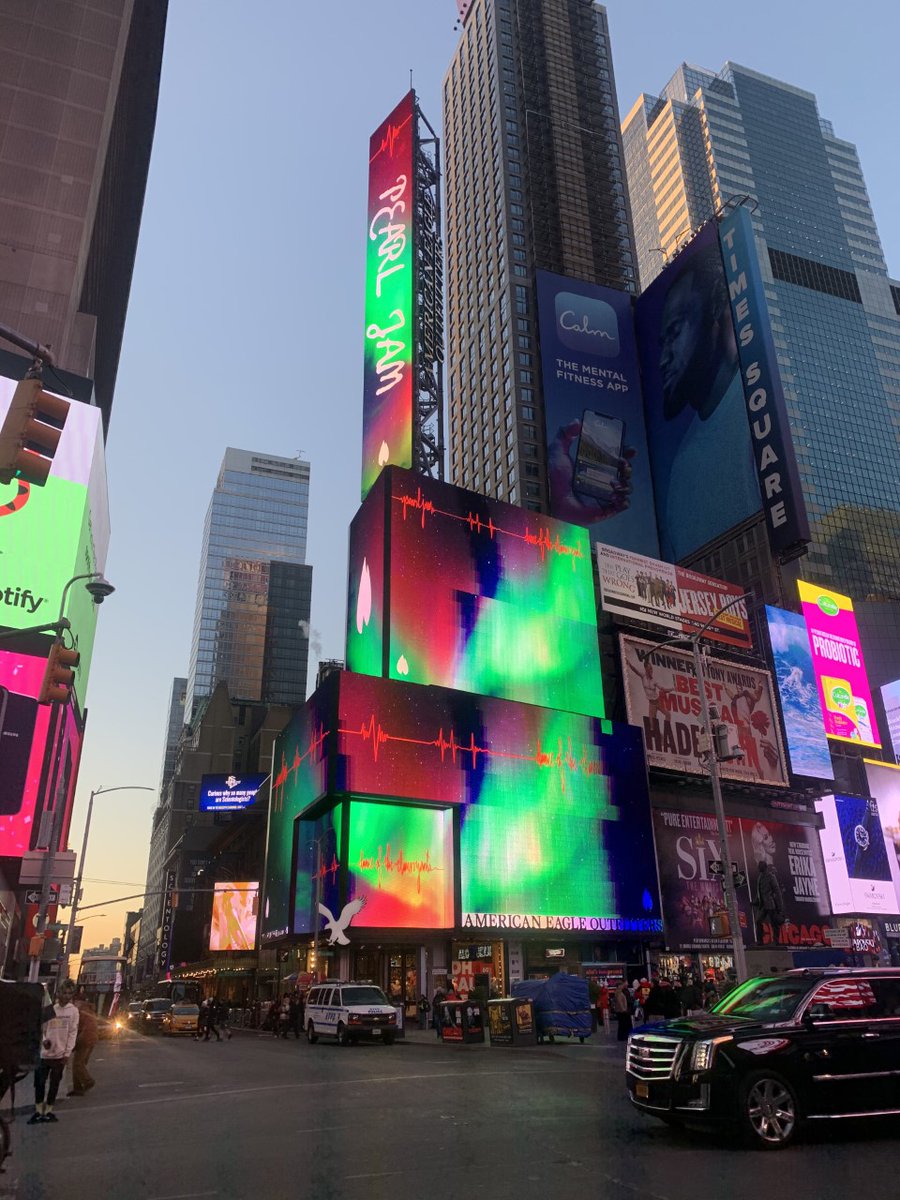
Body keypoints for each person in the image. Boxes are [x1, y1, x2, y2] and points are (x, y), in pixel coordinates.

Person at [29, 980, 79, 1124]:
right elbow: (42, 1029)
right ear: (58, 993)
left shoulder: (73, 1011)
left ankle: (49, 1111)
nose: (67, 996)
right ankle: (38, 1111)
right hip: (45, 1054)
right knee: (39, 1083)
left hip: (60, 1055)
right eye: (64, 992)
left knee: (54, 1084)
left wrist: (67, 1053)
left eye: (70, 993)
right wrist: (44, 1040)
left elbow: (72, 1032)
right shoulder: (50, 1009)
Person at [69, 991, 98, 1096]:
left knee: (78, 1064)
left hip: (84, 1038)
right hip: (91, 1038)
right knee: (78, 1063)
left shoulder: (78, 1008)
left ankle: (87, 1081)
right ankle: (78, 1088)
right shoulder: (87, 1009)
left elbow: (76, 1025)